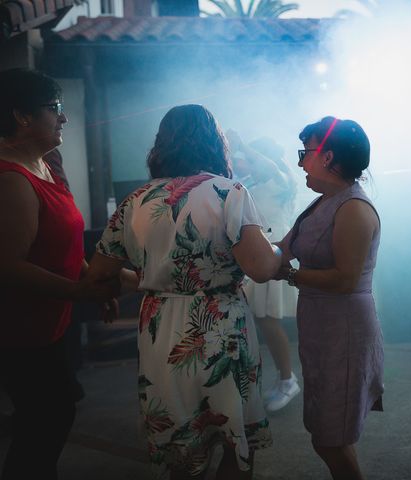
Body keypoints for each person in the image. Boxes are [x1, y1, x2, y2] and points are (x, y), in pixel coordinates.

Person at [86, 104, 281, 480]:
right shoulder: (229, 193)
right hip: (220, 325)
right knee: (231, 440)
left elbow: (98, 274)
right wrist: (280, 250)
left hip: (160, 331)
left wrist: (149, 279)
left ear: (161, 145)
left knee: (180, 446)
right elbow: (260, 269)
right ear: (215, 143)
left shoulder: (135, 201)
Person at [0, 68, 117, 480]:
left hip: (53, 320)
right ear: (22, 117)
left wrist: (92, 281)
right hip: (22, 329)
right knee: (43, 423)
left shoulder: (47, 162)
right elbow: (9, 266)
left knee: (56, 411)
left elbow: (63, 241)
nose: (64, 118)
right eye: (56, 108)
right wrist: (79, 292)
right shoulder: (11, 179)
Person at [275, 116, 384, 480]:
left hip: (345, 328)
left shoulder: (353, 208)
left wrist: (287, 274)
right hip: (321, 326)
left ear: (328, 157)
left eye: (305, 152)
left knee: (330, 438)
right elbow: (283, 249)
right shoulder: (321, 203)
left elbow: (344, 278)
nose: (300, 162)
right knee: (326, 430)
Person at [227, 130, 300, 412]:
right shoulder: (253, 182)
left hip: (273, 252)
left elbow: (267, 168)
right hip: (259, 253)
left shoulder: (278, 177)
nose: (243, 162)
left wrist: (243, 144)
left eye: (247, 158)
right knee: (261, 319)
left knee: (267, 319)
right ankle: (281, 378)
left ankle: (288, 379)